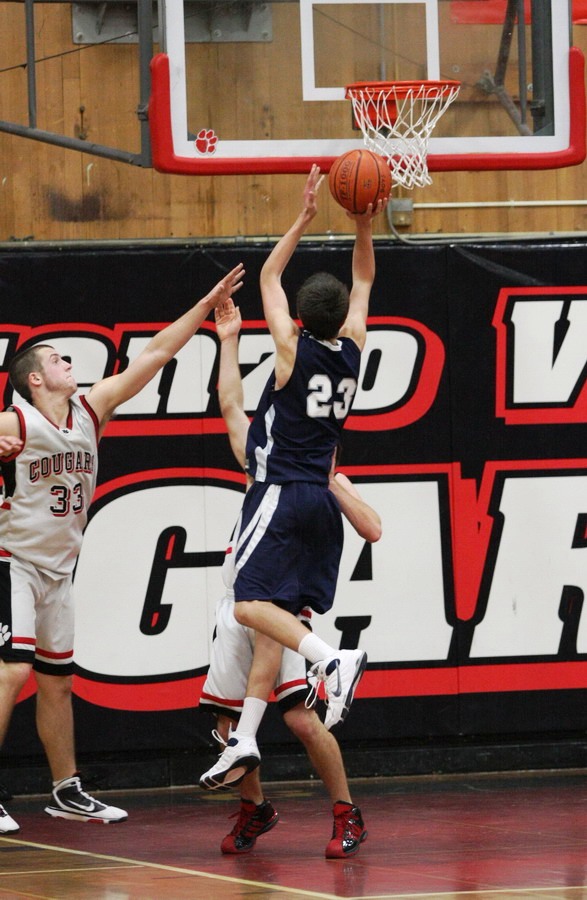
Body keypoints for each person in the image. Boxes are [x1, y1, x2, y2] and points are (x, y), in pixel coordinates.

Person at [0, 262, 245, 835]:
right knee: (12, 672)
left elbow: (155, 354)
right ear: (33, 379)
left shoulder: (90, 411)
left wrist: (206, 305)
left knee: (57, 682)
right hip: (12, 562)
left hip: (59, 570)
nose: (68, 362)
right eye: (57, 359)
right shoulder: (14, 421)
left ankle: (65, 789)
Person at [199, 166, 386, 792]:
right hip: (321, 503)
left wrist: (304, 217)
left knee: (248, 604)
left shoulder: (290, 350)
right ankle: (248, 736)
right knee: (268, 617)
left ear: (301, 319)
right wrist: (363, 226)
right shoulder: (352, 350)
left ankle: (330, 658)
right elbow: (364, 280)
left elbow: (270, 277)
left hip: (278, 493)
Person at [199, 297, 381, 857]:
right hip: (240, 595)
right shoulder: (263, 458)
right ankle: (255, 808)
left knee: (300, 719)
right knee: (224, 725)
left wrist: (332, 486)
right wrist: (229, 340)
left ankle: (347, 812)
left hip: (276, 604)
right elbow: (231, 403)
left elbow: (373, 527)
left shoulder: (324, 478)